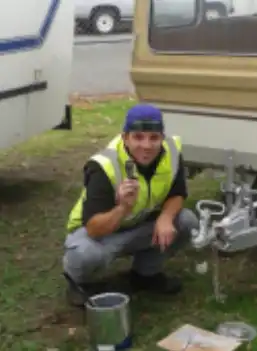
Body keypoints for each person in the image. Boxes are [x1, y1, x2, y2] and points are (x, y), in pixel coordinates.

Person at [63, 103, 199, 307]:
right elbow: (93, 228)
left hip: (140, 223)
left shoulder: (171, 150)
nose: (146, 145)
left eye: (154, 138)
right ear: (125, 137)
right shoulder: (104, 165)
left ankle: (145, 274)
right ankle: (78, 283)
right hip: (100, 233)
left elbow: (178, 193)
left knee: (186, 221)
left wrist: (165, 217)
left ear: (162, 137)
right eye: (138, 137)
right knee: (84, 254)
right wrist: (123, 208)